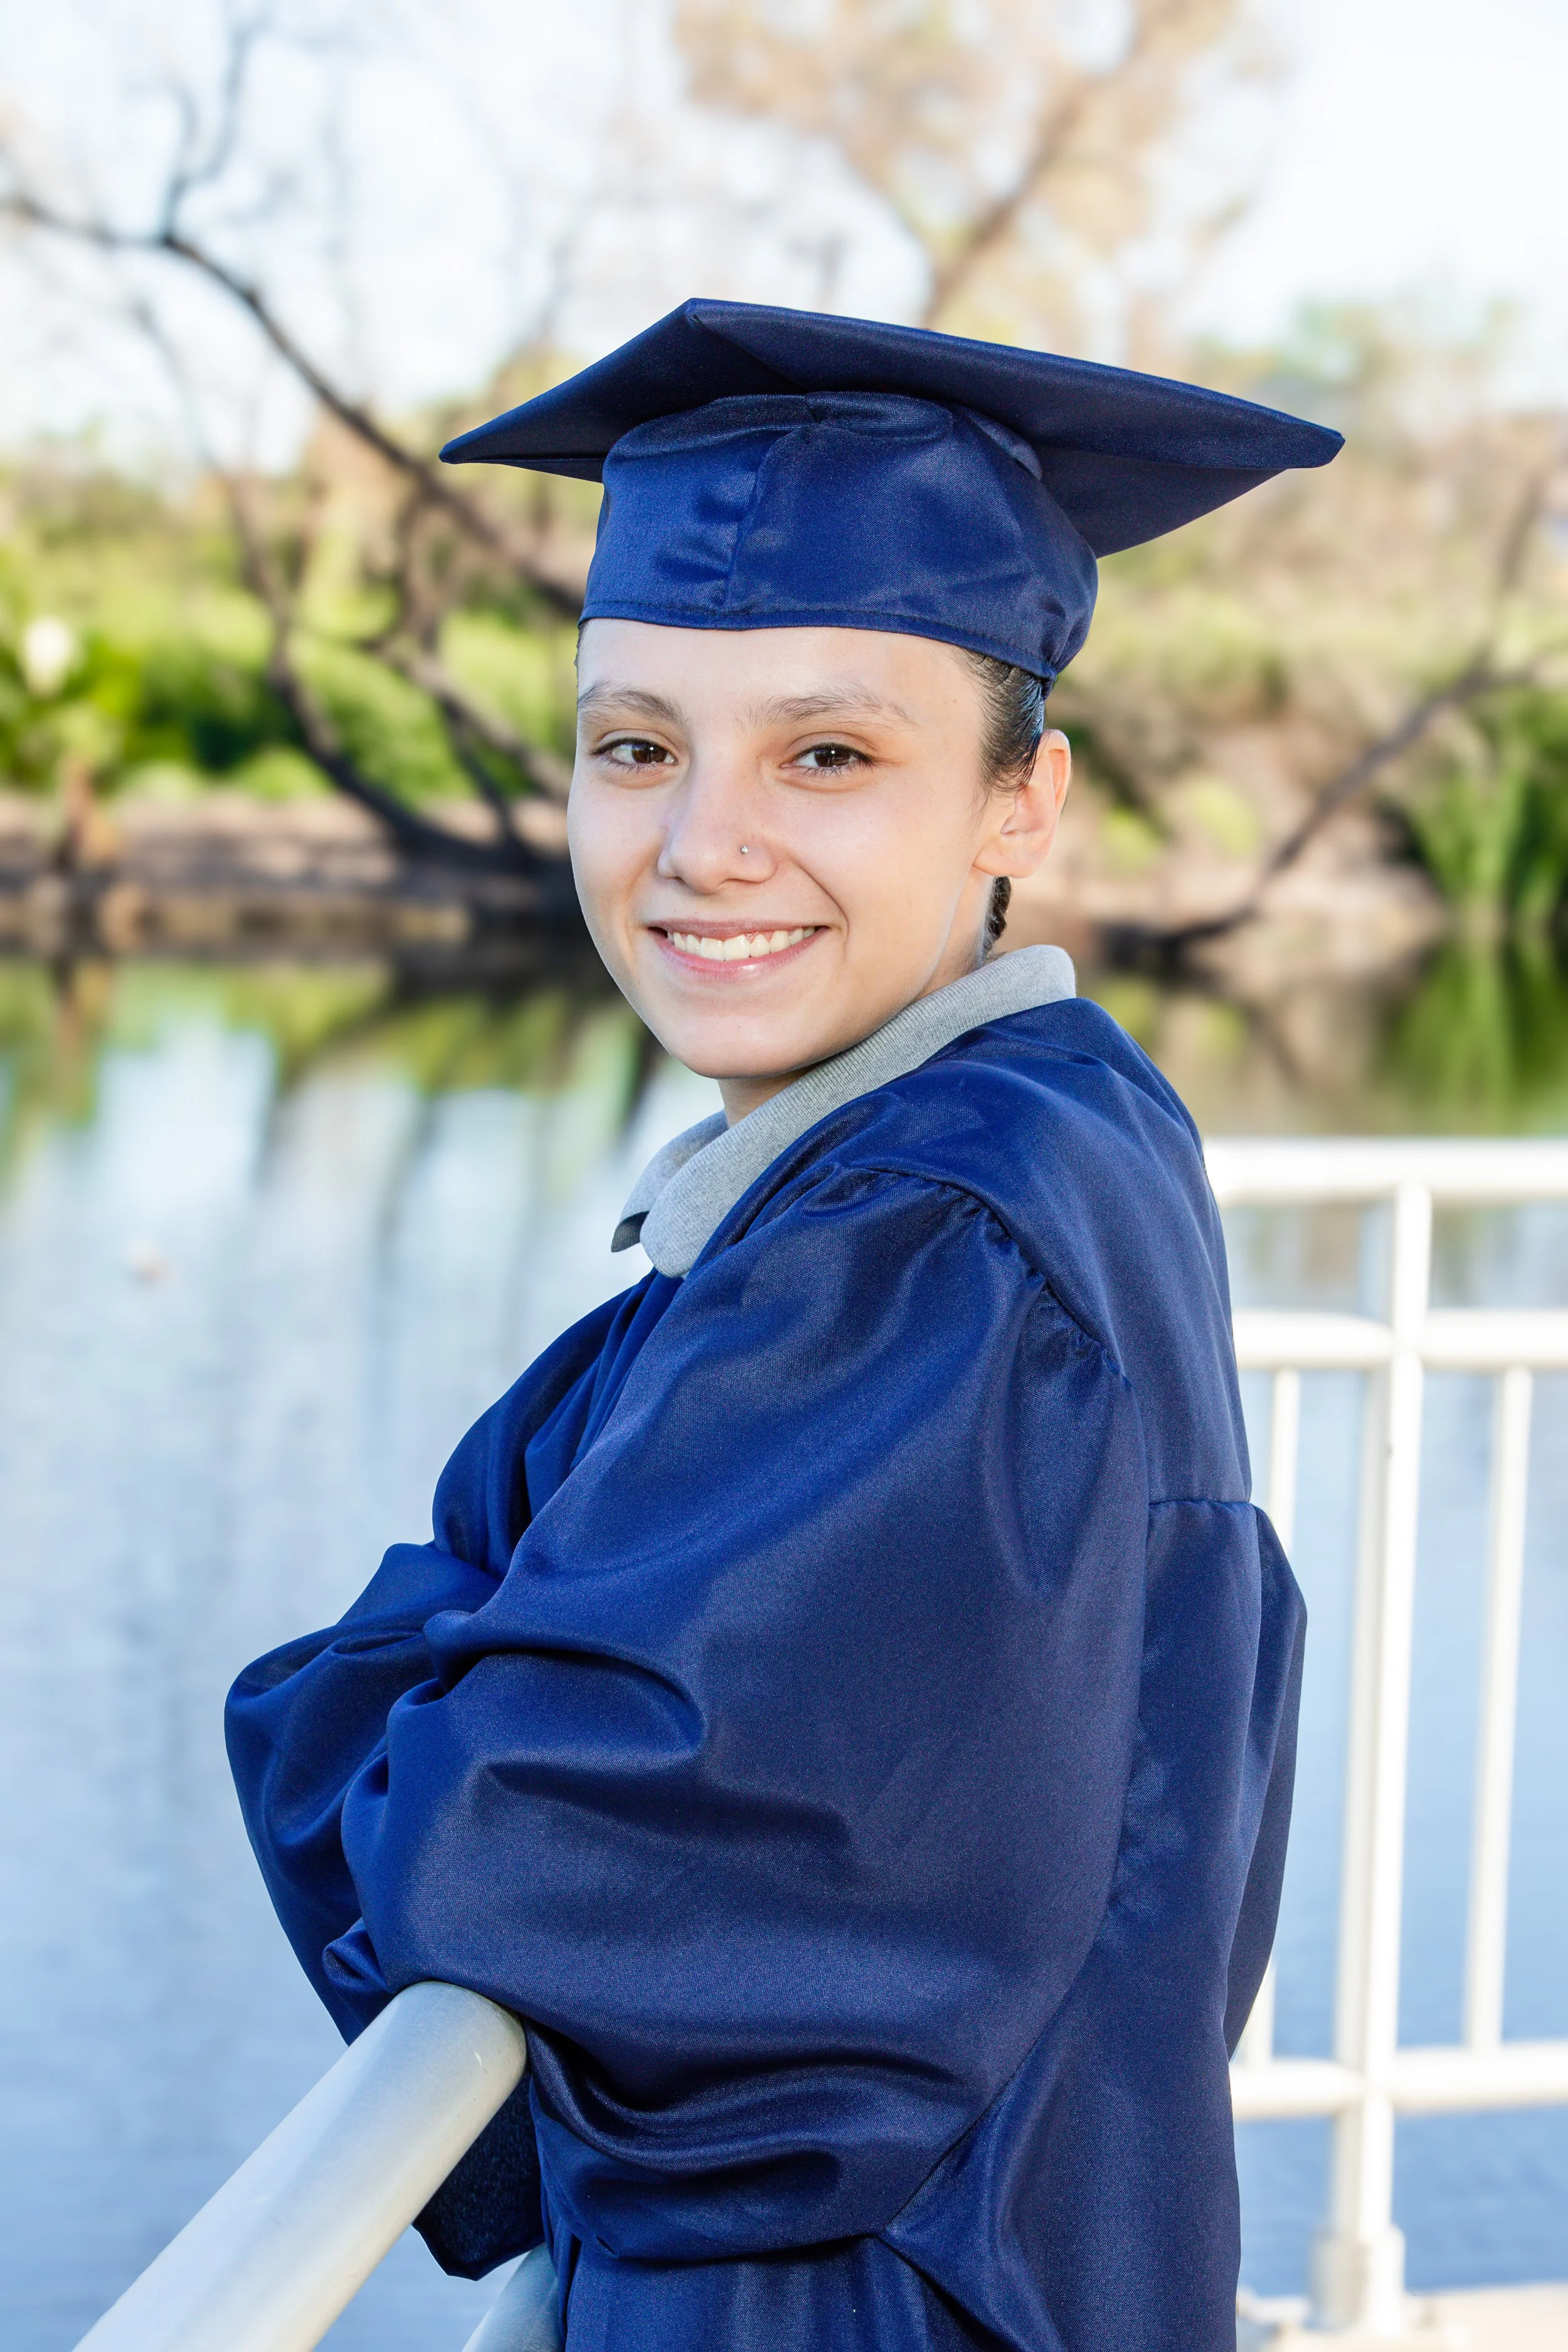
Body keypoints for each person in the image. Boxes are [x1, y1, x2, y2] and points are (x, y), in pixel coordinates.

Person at [226, 300, 1333, 2352]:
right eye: (634, 744)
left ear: (1022, 801)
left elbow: (514, 1850)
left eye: (827, 753)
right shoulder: (1050, 1134)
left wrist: (358, 1703)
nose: (700, 842)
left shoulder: (934, 1227)